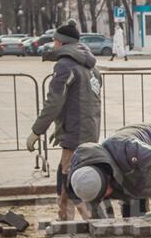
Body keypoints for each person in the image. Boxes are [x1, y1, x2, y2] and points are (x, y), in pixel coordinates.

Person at [26, 22, 103, 220]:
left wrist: (37, 131)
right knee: (69, 172)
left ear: (60, 42)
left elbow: (54, 101)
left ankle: (89, 219)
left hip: (76, 130)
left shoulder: (65, 65)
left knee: (70, 176)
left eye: (54, 41)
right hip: (89, 127)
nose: (53, 46)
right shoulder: (92, 66)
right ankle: (66, 216)